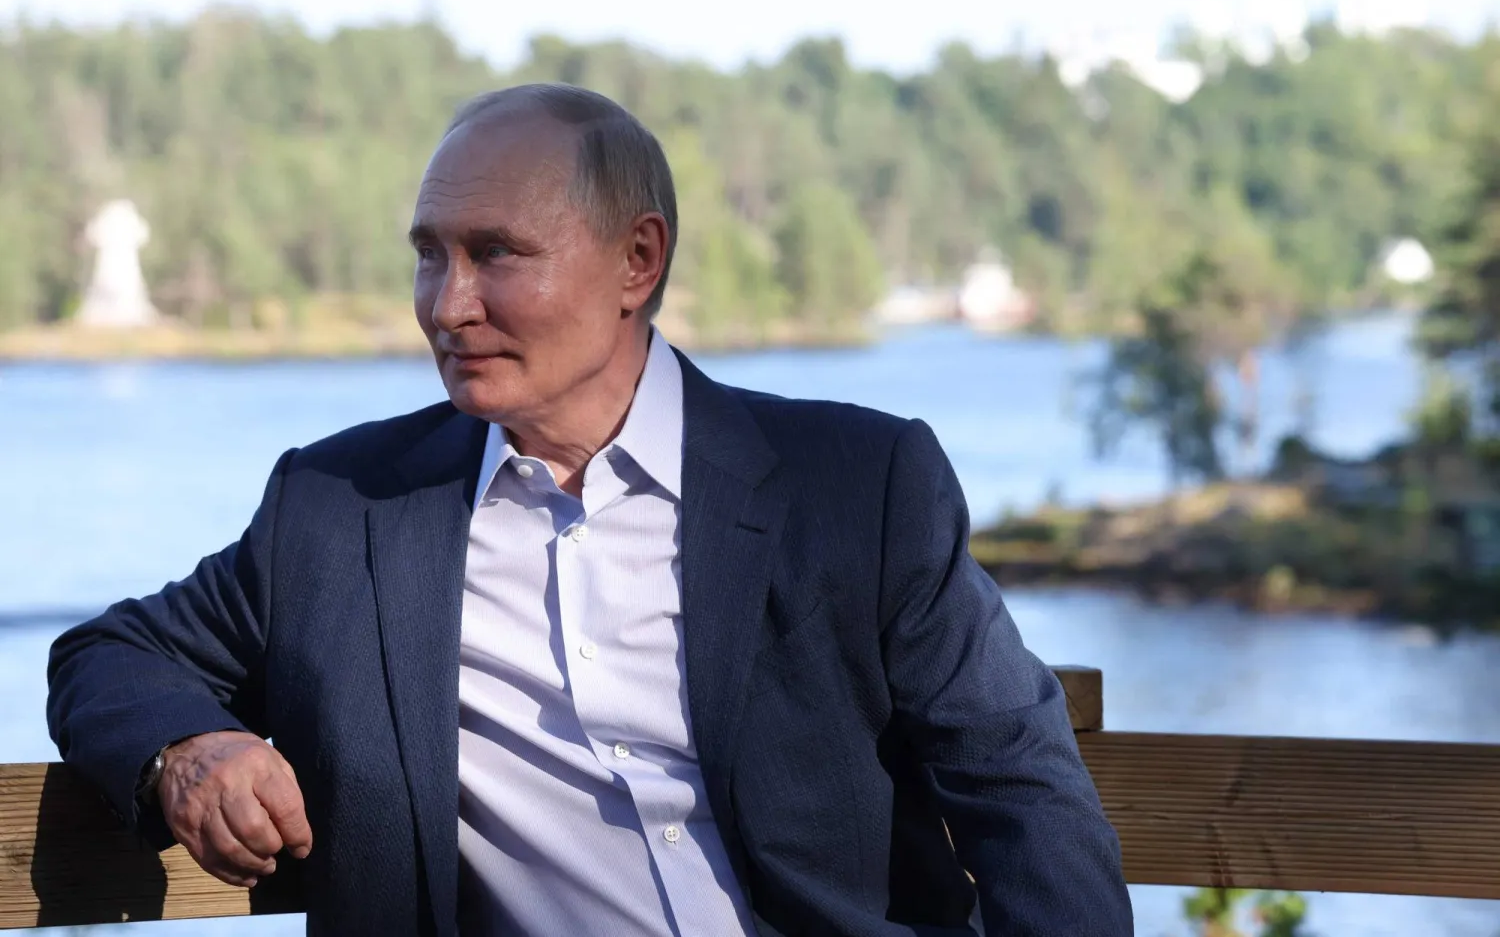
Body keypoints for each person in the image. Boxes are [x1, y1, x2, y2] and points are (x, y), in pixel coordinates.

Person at [46, 83, 1132, 937]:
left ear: (637, 260)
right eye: (430, 255)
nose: (447, 304)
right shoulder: (343, 509)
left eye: (495, 254)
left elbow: (1021, 789)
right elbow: (110, 654)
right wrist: (185, 749)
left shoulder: (855, 484)